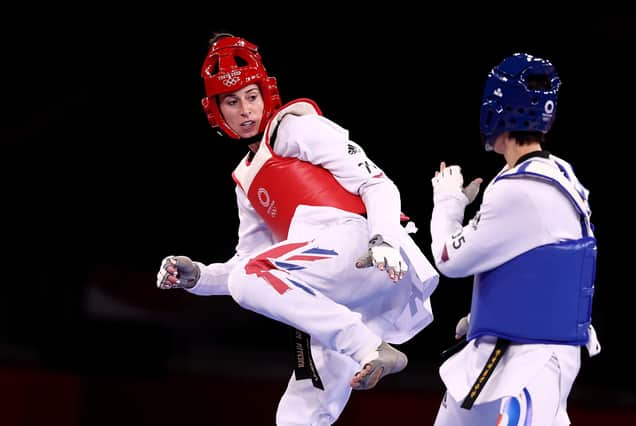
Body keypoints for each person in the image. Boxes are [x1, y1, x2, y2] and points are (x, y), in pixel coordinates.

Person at [156, 33, 439, 425]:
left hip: (362, 246)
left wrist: (383, 238)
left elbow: (377, 183)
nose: (245, 110)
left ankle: (368, 346)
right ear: (216, 111)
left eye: (251, 97)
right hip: (339, 290)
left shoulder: (297, 128)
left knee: (252, 277)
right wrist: (200, 277)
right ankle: (365, 345)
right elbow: (249, 266)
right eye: (232, 102)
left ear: (266, 93)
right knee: (299, 414)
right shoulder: (245, 180)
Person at [429, 52, 601, 425]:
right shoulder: (560, 173)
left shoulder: (517, 190)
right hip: (503, 349)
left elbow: (448, 259)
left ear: (494, 111)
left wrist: (446, 203)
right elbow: (541, 262)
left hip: (532, 361)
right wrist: (488, 313)